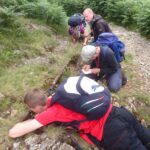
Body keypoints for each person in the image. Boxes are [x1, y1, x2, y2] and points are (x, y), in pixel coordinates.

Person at [9, 86, 150, 150]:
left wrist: (36, 119)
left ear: (37, 108)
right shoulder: (61, 95)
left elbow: (13, 132)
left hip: (112, 131)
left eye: (32, 110)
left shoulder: (51, 112)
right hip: (118, 112)